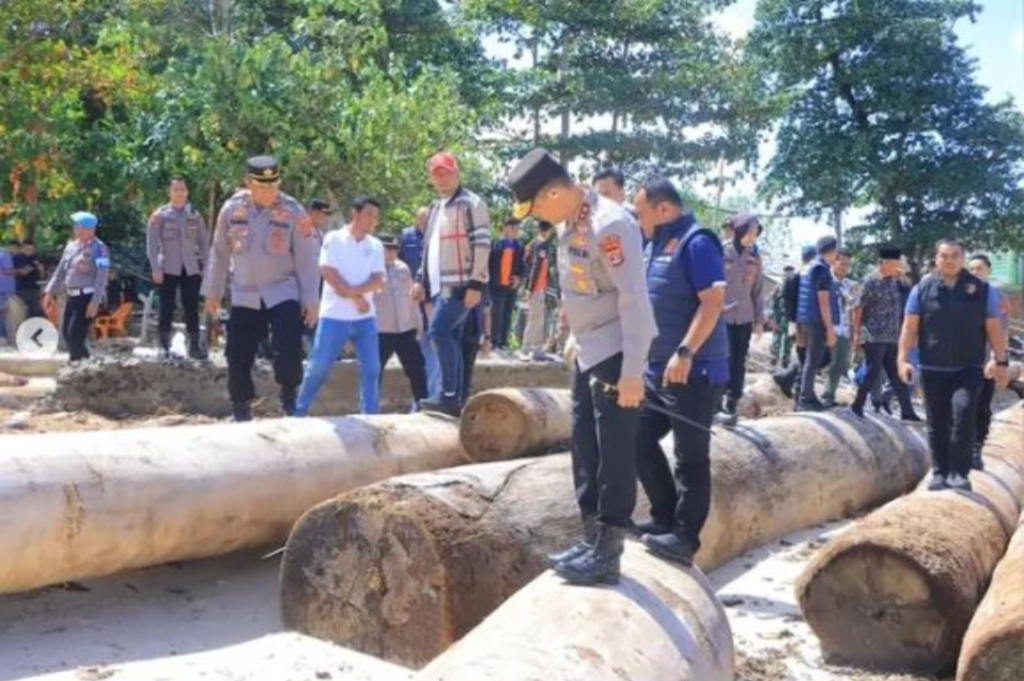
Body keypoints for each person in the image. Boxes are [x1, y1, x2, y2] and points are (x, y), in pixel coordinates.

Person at [507, 148, 656, 585]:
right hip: (588, 349)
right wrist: (574, 334)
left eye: (536, 204)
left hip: (616, 351)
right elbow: (580, 286)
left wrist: (633, 370)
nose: (535, 214)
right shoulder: (568, 224)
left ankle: (609, 550)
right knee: (586, 448)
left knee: (614, 450)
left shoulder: (611, 225)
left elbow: (633, 298)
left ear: (554, 192)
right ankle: (590, 536)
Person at [632, 179, 728, 566]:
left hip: (695, 370)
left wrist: (686, 352)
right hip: (656, 369)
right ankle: (664, 517)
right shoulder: (654, 243)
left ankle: (686, 539)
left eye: (640, 212)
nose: (637, 219)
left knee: (690, 457)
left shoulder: (697, 241)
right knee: (637, 438)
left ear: (663, 209)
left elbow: (713, 303)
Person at [202, 156, 320, 421]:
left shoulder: (294, 211)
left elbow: (306, 259)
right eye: (262, 186)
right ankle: (241, 407)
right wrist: (213, 291)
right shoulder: (231, 210)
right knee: (237, 352)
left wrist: (311, 298)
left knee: (289, 346)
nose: (269, 192)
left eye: (273, 185)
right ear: (248, 183)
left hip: (283, 289)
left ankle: (289, 398)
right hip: (245, 291)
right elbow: (219, 253)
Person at [898, 238, 1009, 492]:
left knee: (964, 414)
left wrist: (1000, 360)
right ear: (937, 259)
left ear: (962, 258)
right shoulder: (922, 289)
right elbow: (910, 326)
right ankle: (940, 471)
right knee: (937, 421)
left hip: (968, 367)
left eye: (954, 256)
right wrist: (902, 358)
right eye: (944, 256)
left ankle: (959, 473)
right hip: (932, 367)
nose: (949, 260)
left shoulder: (981, 290)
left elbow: (994, 327)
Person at [411, 152, 491, 417]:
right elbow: (427, 248)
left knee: (439, 332)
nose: (442, 178)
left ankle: (448, 395)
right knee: (451, 337)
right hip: (438, 285)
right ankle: (452, 397)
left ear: (457, 173)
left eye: (446, 172)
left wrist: (476, 283)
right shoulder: (435, 207)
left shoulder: (471, 203)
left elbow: (482, 244)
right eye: (437, 174)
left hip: (460, 282)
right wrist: (420, 280)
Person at [295, 196, 386, 416]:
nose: (372, 220)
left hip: (365, 319)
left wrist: (353, 294)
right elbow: (328, 273)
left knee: (372, 368)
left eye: (375, 217)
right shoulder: (334, 238)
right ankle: (299, 412)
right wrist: (358, 297)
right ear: (354, 214)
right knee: (319, 367)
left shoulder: (375, 245)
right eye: (368, 215)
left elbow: (378, 279)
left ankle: (371, 415)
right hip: (334, 317)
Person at [850, 246, 920, 420]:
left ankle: (907, 411)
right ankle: (857, 405)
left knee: (896, 373)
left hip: (892, 335)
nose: (898, 267)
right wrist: (857, 333)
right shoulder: (869, 282)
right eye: (896, 264)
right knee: (873, 370)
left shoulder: (894, 282)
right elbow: (857, 309)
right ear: (885, 263)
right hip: (872, 334)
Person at [147, 177, 211, 360]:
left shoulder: (195, 215)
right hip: (167, 266)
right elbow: (151, 244)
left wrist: (206, 266)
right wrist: (155, 268)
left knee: (191, 306)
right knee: (166, 306)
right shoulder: (160, 215)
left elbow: (204, 242)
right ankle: (164, 346)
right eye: (176, 190)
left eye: (183, 190)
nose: (180, 193)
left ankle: (194, 346)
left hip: (190, 267)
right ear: (170, 192)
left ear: (187, 192)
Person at [43, 212, 111, 361]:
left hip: (87, 297)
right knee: (68, 335)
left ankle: (73, 368)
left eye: (78, 226)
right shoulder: (71, 246)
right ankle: (86, 364)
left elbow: (102, 277)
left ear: (89, 229)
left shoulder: (100, 249)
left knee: (75, 335)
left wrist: (95, 302)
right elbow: (60, 271)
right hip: (71, 296)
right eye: (75, 226)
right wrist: (49, 292)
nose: (75, 229)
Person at [966, 253, 1010, 470]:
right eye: (971, 269)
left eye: (979, 269)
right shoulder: (960, 293)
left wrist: (996, 358)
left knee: (982, 406)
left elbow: (1002, 329)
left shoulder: (996, 296)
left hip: (985, 361)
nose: (975, 273)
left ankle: (976, 449)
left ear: (988, 270)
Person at [719, 213, 764, 423]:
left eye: (755, 233)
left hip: (744, 316)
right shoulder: (722, 251)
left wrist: (759, 320)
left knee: (739, 360)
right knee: (723, 358)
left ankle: (732, 401)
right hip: (722, 315)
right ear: (741, 230)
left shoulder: (754, 257)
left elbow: (758, 290)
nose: (753, 237)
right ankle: (716, 400)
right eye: (751, 232)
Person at [375, 234, 428, 408]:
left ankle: (422, 405)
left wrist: (418, 322)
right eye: (387, 248)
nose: (391, 252)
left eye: (394, 249)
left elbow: (411, 298)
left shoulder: (403, 268)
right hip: (380, 330)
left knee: (417, 369)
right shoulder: (370, 269)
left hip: (405, 329)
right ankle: (369, 409)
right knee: (374, 373)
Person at [399, 206, 440, 400]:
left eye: (428, 219)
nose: (425, 223)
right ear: (416, 219)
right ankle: (420, 396)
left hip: (431, 298)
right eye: (422, 219)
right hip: (410, 297)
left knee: (431, 344)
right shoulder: (406, 237)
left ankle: (431, 393)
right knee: (414, 344)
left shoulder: (437, 237)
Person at [795, 236, 840, 411]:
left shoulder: (809, 266)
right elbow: (823, 301)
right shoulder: (821, 269)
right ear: (833, 250)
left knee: (809, 360)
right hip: (816, 321)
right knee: (813, 361)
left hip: (805, 318)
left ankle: (806, 395)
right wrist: (829, 329)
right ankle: (806, 398)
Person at [773, 246, 819, 398]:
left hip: (799, 322)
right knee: (807, 357)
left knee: (808, 357)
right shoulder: (797, 278)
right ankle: (798, 388)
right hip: (799, 323)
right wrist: (793, 323)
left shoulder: (802, 276)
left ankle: (788, 379)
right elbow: (788, 302)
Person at [823, 248, 855, 407]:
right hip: (824, 328)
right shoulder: (825, 280)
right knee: (816, 361)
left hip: (843, 329)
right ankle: (801, 392)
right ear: (834, 262)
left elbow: (853, 308)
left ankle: (828, 395)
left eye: (848, 264)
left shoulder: (850, 285)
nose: (845, 267)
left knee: (838, 363)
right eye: (842, 263)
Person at [520, 220, 556, 360]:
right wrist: (531, 287)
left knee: (537, 318)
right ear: (547, 230)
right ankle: (529, 348)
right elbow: (536, 266)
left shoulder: (534, 243)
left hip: (539, 287)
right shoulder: (541, 244)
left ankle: (536, 348)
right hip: (537, 287)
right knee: (536, 319)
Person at [488, 217, 524, 351]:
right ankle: (493, 341)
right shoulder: (495, 244)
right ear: (505, 228)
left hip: (510, 286)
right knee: (496, 313)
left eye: (518, 228)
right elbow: (488, 265)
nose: (516, 231)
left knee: (508, 313)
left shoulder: (519, 247)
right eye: (513, 228)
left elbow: (521, 267)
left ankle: (504, 342)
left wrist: (519, 278)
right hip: (496, 285)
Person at [461, 291, 492, 401]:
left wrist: (487, 339)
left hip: (472, 336)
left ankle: (461, 403)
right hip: (455, 336)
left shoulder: (482, 282)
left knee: (466, 377)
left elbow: (486, 312)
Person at [769, 265, 796, 367]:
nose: (789, 275)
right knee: (777, 339)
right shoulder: (778, 287)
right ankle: (774, 360)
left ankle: (785, 361)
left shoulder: (795, 287)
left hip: (789, 318)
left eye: (791, 273)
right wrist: (772, 317)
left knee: (788, 341)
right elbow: (773, 302)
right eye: (787, 272)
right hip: (779, 317)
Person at [13, 240, 45, 318]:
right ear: (22, 248)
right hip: (21, 290)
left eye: (32, 250)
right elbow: (21, 272)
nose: (30, 252)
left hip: (33, 289)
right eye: (27, 249)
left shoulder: (35, 259)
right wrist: (25, 270)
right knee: (20, 315)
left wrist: (41, 269)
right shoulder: (17, 258)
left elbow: (41, 276)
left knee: (35, 314)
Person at [0, 242, 16, 343]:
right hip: (5, 289)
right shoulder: (5, 255)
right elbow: (8, 271)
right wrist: (21, 270)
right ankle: (3, 335)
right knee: (4, 313)